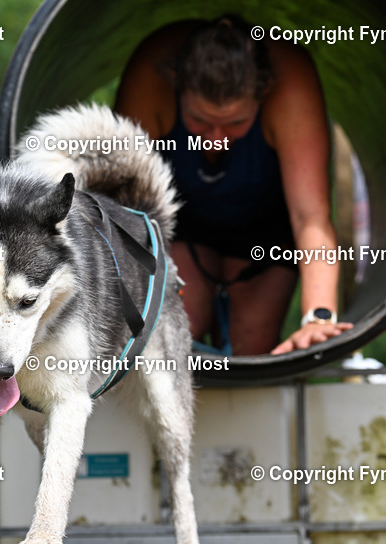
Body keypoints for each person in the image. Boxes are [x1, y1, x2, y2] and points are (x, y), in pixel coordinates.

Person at [115, 16, 353, 355]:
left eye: (235, 124)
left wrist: (318, 318)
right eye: (200, 121)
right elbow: (122, 211)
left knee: (252, 348)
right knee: (173, 337)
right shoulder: (151, 78)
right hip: (183, 223)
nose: (215, 140)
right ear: (178, 90)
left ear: (262, 97)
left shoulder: (292, 87)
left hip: (266, 228)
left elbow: (310, 216)